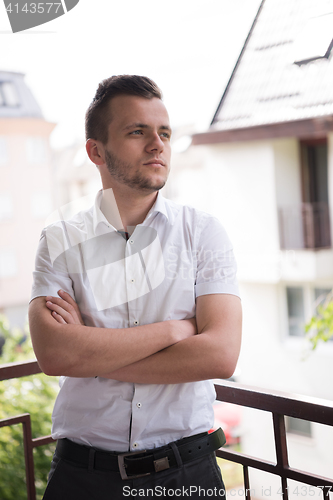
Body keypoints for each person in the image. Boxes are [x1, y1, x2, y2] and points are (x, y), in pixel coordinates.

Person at [28, 75, 242, 499]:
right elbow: (54, 353)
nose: (157, 144)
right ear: (96, 150)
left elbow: (220, 354)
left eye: (163, 132)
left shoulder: (203, 234)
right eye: (136, 131)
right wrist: (174, 332)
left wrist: (88, 352)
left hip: (188, 474)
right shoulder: (59, 240)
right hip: (83, 477)